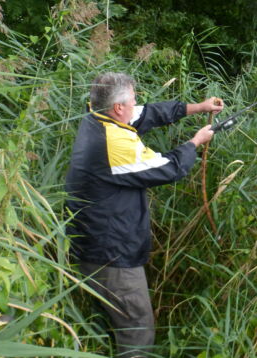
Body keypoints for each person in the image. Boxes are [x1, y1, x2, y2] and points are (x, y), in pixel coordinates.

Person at [65, 72, 223, 358]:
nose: (136, 104)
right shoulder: (115, 145)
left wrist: (198, 108)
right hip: (111, 255)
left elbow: (147, 113)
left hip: (92, 244)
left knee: (113, 321)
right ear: (117, 108)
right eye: (132, 99)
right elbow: (168, 167)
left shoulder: (96, 118)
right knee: (137, 328)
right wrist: (195, 142)